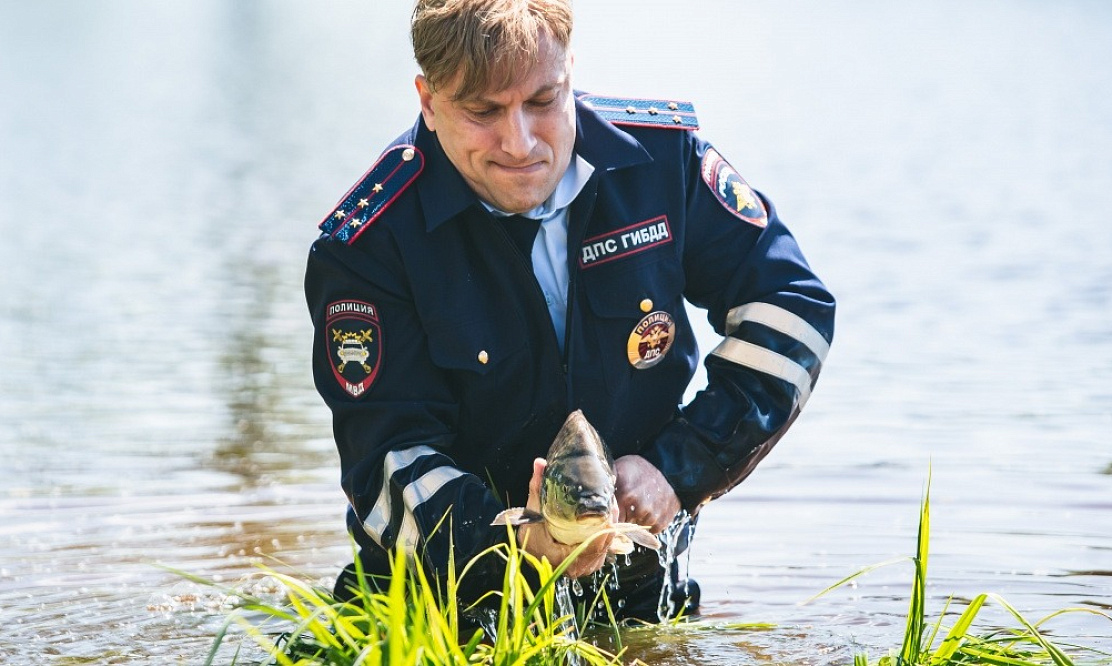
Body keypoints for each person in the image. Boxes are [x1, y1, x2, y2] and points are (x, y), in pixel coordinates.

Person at [305, 0, 834, 622]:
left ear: (571, 70)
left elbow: (791, 309)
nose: (520, 142)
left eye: (542, 101)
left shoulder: (663, 164)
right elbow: (389, 458)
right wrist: (515, 548)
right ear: (427, 99)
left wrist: (679, 470)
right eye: (483, 112)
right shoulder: (367, 244)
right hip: (441, 606)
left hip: (640, 590)